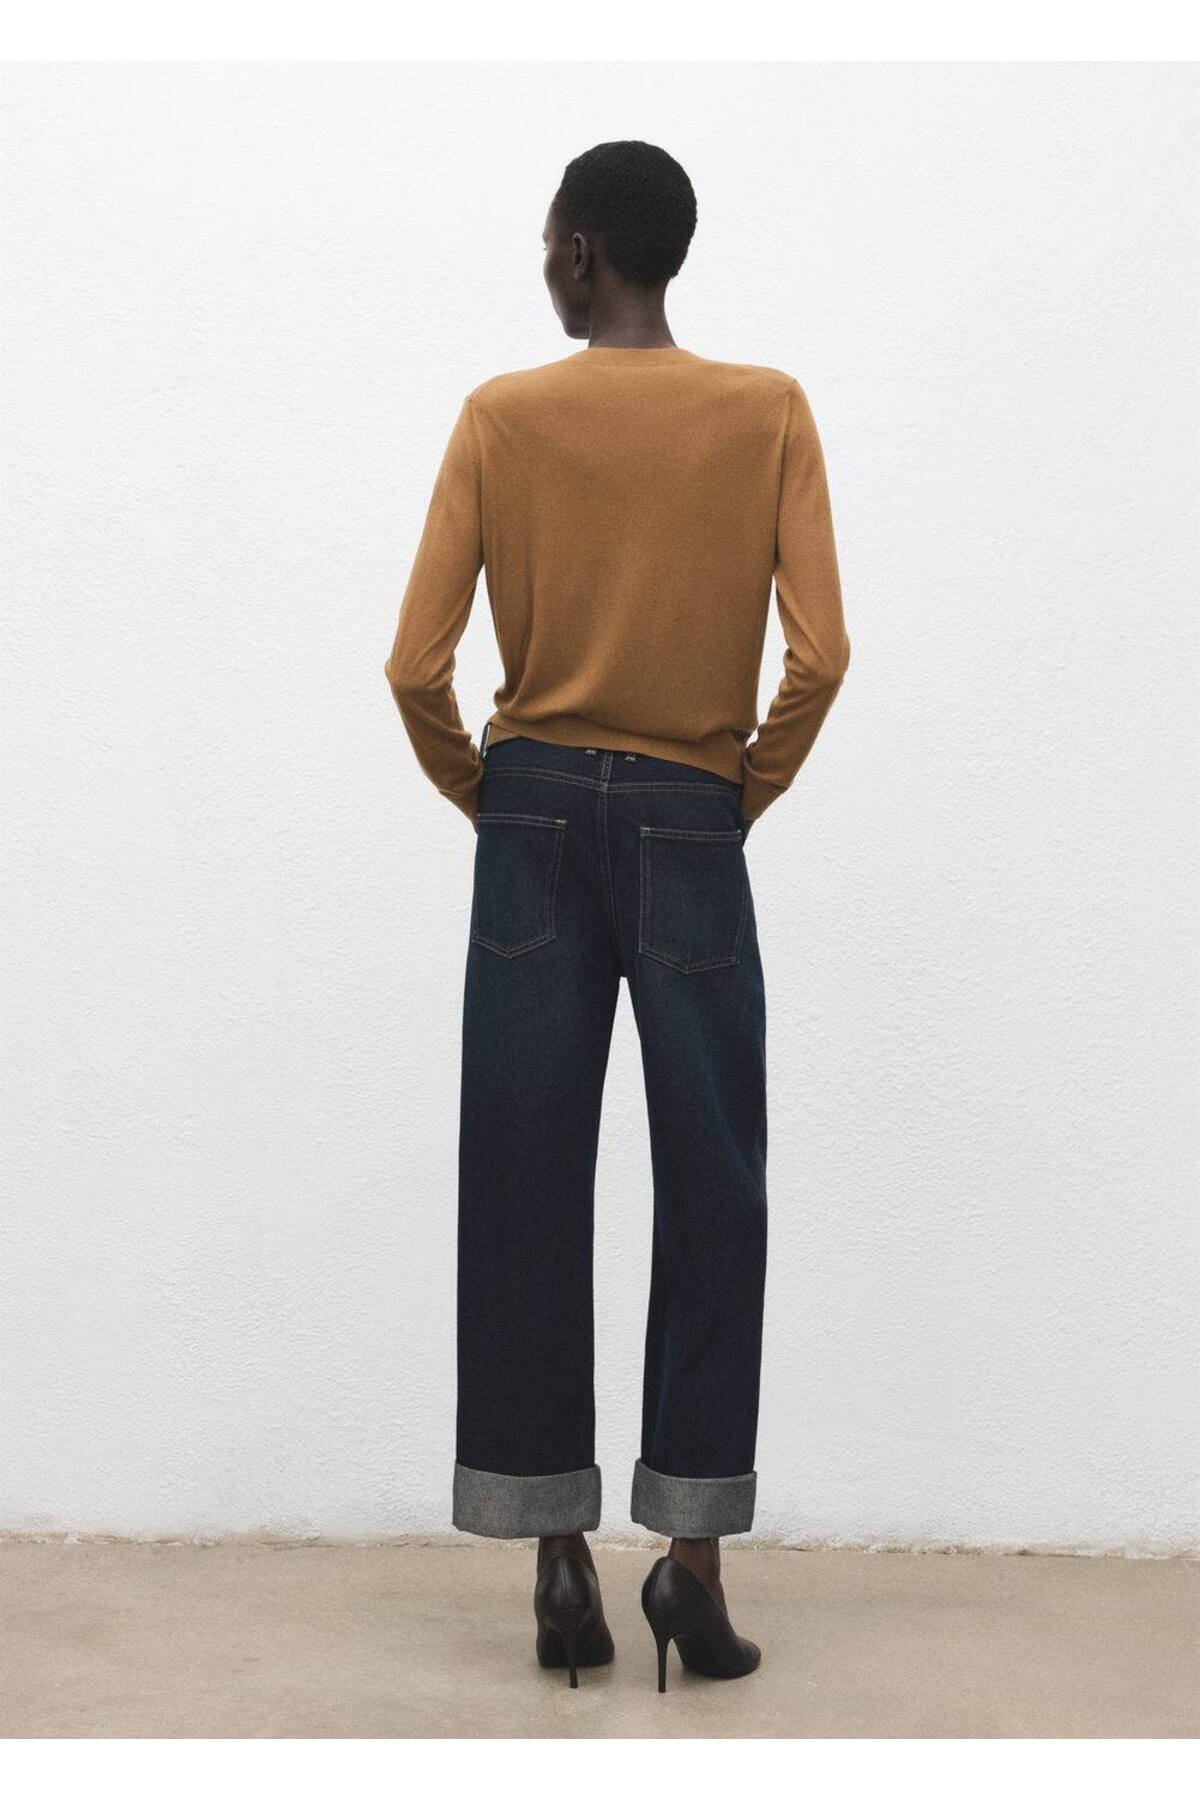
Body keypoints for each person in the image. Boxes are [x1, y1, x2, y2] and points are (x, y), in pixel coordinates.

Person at [385, 139, 849, 1693]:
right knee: (715, 1176)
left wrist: (491, 796)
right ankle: (691, 1568)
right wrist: (732, 794)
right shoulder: (767, 411)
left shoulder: (501, 416)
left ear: (583, 253)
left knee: (525, 1171)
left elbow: (414, 666)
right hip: (688, 813)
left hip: (530, 812)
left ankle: (557, 1560)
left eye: (548, 244)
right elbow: (822, 656)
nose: (544, 265)